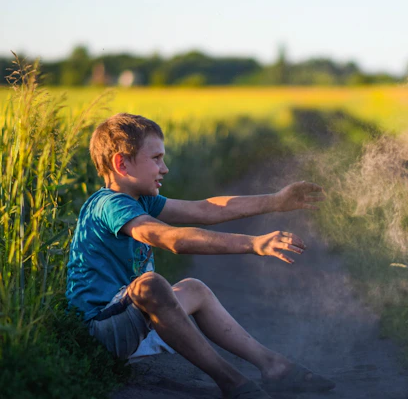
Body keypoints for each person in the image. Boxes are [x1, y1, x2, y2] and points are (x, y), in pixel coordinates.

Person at [66, 113, 334, 399]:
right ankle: (233, 382)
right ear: (122, 163)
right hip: (101, 330)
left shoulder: (141, 200)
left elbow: (206, 209)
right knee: (150, 284)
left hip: (126, 323)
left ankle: (274, 367)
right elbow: (171, 239)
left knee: (195, 289)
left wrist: (277, 201)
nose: (164, 168)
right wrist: (253, 243)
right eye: (156, 158)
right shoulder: (109, 204)